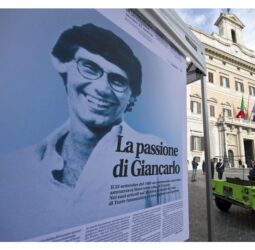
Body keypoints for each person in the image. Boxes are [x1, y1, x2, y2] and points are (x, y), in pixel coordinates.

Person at [0, 23, 180, 241]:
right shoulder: (13, 169)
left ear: (132, 97)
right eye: (90, 67)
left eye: (118, 80)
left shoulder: (155, 156)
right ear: (62, 65)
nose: (102, 88)